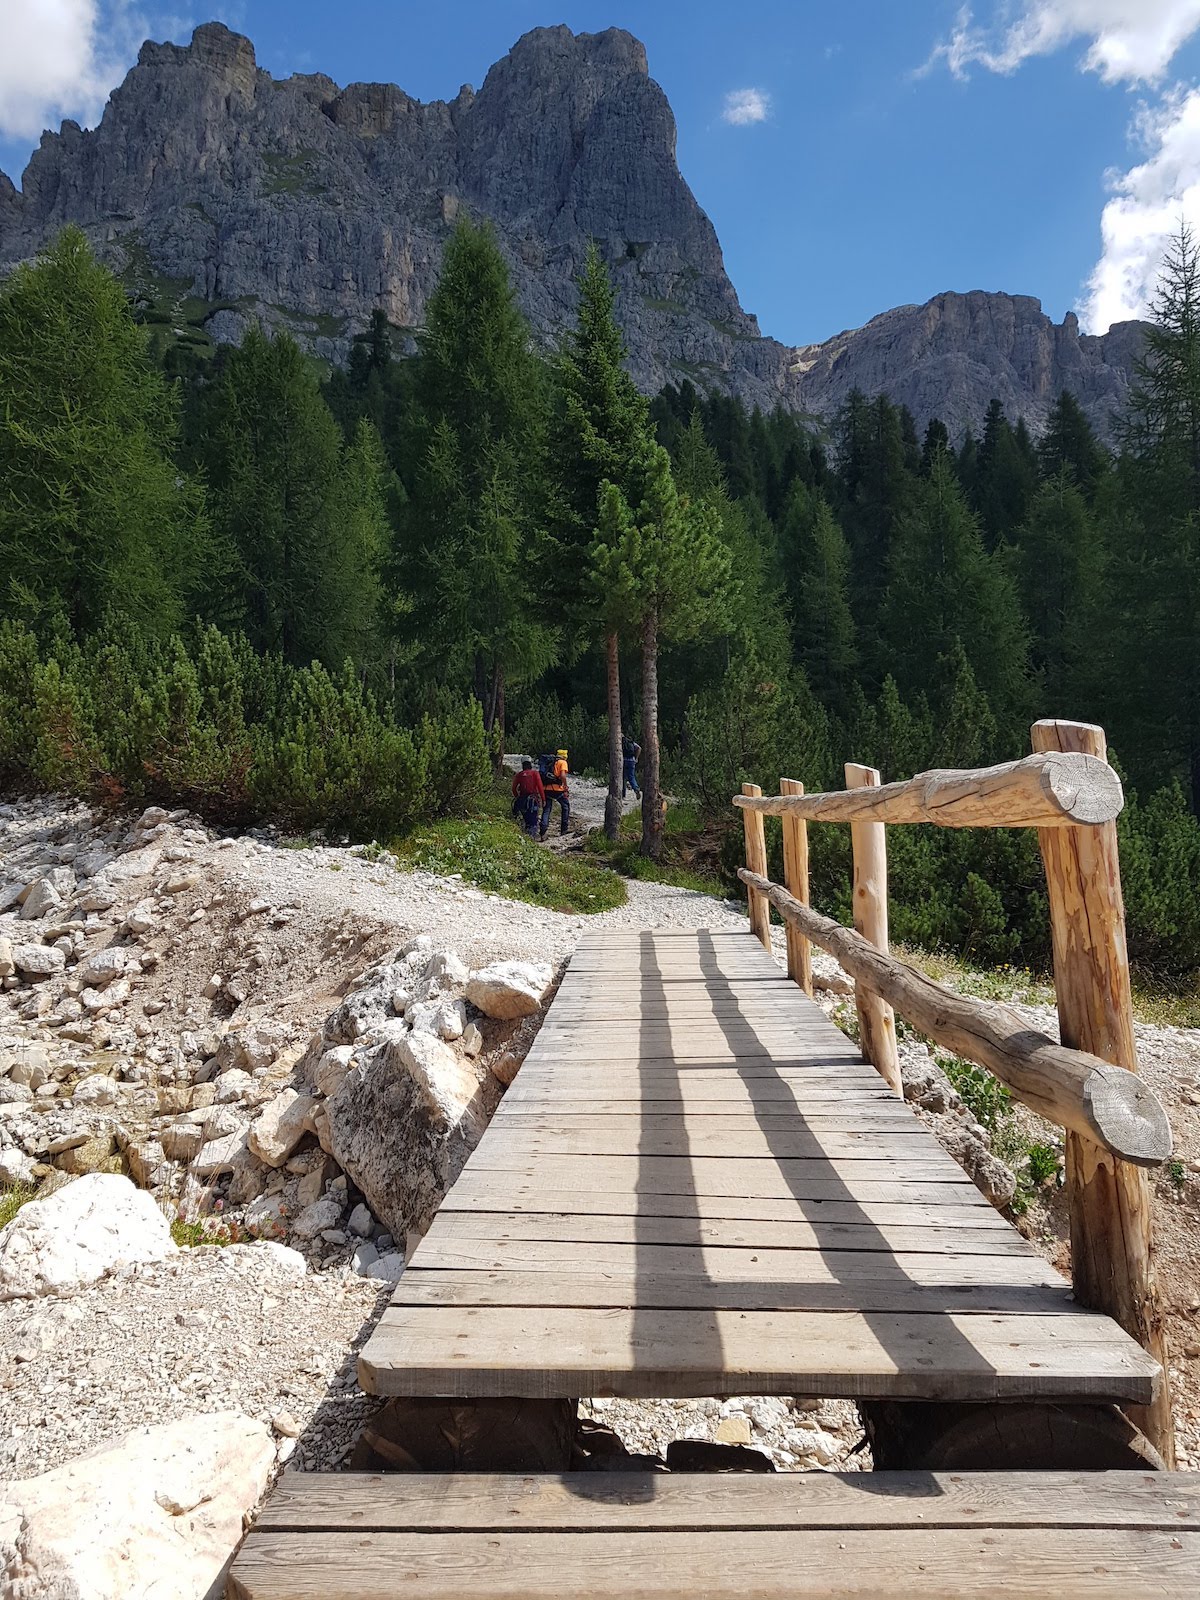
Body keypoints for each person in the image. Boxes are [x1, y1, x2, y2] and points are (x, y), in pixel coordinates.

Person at [540, 748, 570, 838]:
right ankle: (564, 829)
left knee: (547, 809)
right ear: (565, 756)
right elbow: (562, 776)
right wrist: (565, 787)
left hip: (546, 789)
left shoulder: (551, 762)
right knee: (565, 806)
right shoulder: (563, 762)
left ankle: (543, 831)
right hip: (557, 789)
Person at [510, 759, 544, 838]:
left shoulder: (519, 774)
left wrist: (517, 797)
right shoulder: (535, 773)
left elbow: (514, 789)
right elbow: (540, 787)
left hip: (522, 800)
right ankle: (532, 836)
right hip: (532, 800)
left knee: (525, 818)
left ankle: (525, 834)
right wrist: (543, 799)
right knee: (533, 820)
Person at [622, 732, 641, 798]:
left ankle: (623, 794)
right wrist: (636, 758)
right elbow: (639, 748)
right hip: (631, 760)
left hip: (623, 761)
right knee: (631, 777)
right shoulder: (630, 742)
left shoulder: (619, 743)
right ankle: (636, 789)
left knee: (622, 778)